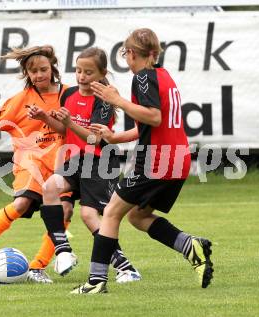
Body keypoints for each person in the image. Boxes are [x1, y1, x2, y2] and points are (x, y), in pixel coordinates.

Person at [71, 28, 214, 294]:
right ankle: (189, 246)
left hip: (157, 161)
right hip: (178, 160)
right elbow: (148, 125)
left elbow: (154, 117)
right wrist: (114, 138)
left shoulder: (144, 77)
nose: (126, 60)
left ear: (132, 53)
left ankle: (95, 282)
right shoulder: (164, 76)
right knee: (138, 215)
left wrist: (118, 100)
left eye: (126, 54)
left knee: (112, 213)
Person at [0, 45, 76, 283]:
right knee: (21, 203)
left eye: (43, 69)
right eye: (33, 71)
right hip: (31, 164)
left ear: (53, 68)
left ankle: (37, 267)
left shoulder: (68, 95)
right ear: (26, 73)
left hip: (61, 165)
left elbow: (77, 125)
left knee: (66, 210)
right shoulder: (19, 101)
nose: (39, 75)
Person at [31, 47, 141, 283]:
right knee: (49, 188)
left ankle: (126, 267)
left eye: (88, 72)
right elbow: (63, 129)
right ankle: (63, 251)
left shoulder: (103, 101)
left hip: (100, 161)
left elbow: (95, 138)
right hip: (75, 160)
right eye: (79, 71)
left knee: (89, 215)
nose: (82, 76)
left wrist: (70, 122)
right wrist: (45, 117)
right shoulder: (68, 95)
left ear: (101, 73)